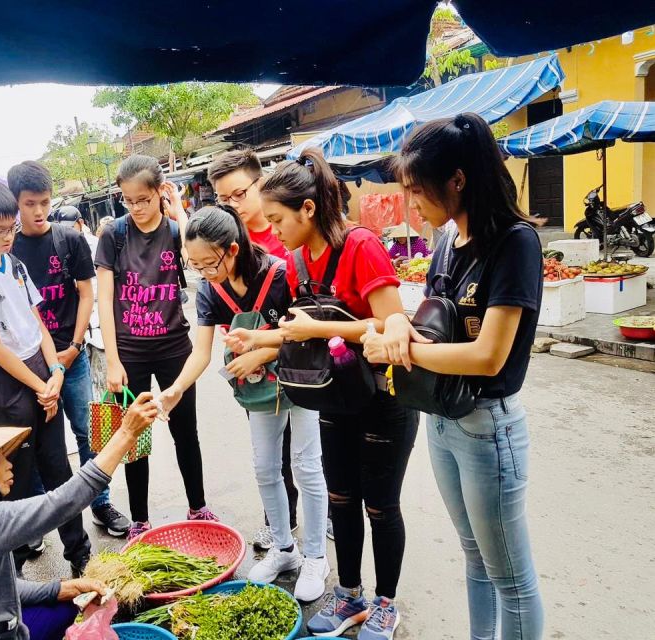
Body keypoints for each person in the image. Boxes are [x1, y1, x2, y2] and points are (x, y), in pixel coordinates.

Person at [362, 113, 544, 639]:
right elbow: (432, 321)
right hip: (443, 419)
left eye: (417, 191)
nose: (411, 204)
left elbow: (488, 356)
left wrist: (402, 354)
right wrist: (396, 325)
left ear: (458, 180)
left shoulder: (514, 243)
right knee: (475, 558)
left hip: (490, 427)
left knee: (511, 578)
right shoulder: (446, 241)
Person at [247, 148, 419, 640]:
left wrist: (316, 328)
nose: (273, 231)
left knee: (381, 507)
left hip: (384, 399)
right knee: (341, 499)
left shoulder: (361, 245)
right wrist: (261, 340)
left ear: (307, 209)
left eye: (277, 219)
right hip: (336, 398)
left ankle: (385, 603)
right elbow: (306, 332)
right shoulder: (298, 261)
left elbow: (390, 326)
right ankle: (348, 595)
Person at [156, 205, 330, 602]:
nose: (202, 272)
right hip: (257, 391)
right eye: (194, 264)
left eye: (208, 263)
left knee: (305, 465)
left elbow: (306, 335)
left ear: (232, 249)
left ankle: (317, 556)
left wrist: (260, 353)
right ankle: (284, 549)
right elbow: (200, 353)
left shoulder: (280, 273)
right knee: (265, 466)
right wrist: (177, 388)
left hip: (300, 381)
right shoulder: (209, 291)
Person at [0, 393, 157, 640]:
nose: (8, 464)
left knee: (66, 604)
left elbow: (6, 587)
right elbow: (62, 503)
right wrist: (125, 434)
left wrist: (63, 588)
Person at [0, 180, 91, 576]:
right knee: (11, 479)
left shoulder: (14, 265)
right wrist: (41, 386)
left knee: (59, 470)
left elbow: (39, 326)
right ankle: (10, 575)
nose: (8, 236)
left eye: (11, 227)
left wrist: (57, 372)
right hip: (3, 386)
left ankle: (79, 554)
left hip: (42, 372)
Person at [94, 154, 217, 540]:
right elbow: (105, 301)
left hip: (173, 347)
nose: (136, 208)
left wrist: (179, 210)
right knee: (134, 436)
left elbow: (194, 261)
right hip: (129, 350)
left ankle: (197, 506)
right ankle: (140, 519)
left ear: (159, 193)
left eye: (144, 199)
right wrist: (112, 360)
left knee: (185, 431)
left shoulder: (175, 230)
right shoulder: (113, 235)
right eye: (128, 200)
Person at [9, 161, 131, 537]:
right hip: (31, 364)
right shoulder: (8, 248)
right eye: (30, 203)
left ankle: (101, 502)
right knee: (35, 442)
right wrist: (50, 361)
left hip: (72, 356)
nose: (39, 211)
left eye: (45, 201)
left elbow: (86, 293)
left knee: (86, 431)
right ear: (16, 203)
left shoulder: (69, 239)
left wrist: (75, 346)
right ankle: (37, 521)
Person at [207, 149, 304, 551]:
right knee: (270, 453)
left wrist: (263, 350)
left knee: (308, 448)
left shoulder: (288, 237)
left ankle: (322, 514)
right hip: (251, 369)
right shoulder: (228, 242)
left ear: (260, 183)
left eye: (239, 194)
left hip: (295, 359)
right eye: (223, 199)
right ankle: (280, 521)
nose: (233, 205)